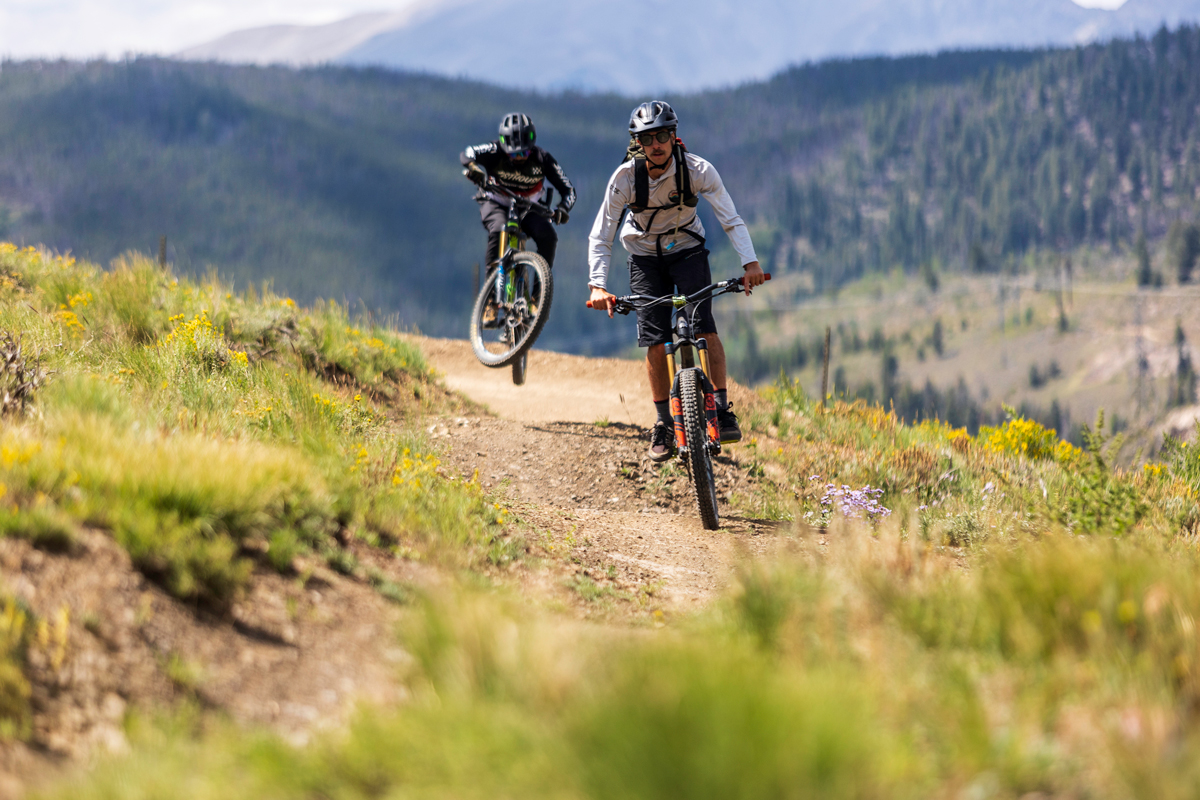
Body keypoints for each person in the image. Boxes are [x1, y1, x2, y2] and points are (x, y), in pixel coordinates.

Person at [586, 100, 766, 463]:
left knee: (705, 327)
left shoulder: (697, 170)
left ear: (674, 136)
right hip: (644, 257)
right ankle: (664, 423)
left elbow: (730, 218)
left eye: (662, 136)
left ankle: (721, 409)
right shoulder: (624, 179)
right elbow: (602, 235)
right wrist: (597, 285)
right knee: (655, 339)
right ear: (637, 143)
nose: (656, 144)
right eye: (647, 138)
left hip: (687, 251)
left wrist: (750, 264)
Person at [461, 112, 576, 273]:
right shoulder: (494, 150)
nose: (519, 158)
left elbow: (569, 190)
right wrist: (473, 168)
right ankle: (491, 285)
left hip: (528, 207)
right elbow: (468, 153)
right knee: (498, 228)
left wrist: (563, 208)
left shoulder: (542, 158)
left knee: (548, 237)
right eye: (513, 154)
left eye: (524, 153)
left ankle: (541, 287)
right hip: (496, 202)